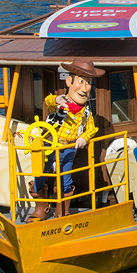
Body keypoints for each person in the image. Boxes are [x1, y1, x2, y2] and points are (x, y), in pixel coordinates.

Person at [29, 58, 103, 221]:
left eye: (88, 83)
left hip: (68, 150)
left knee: (65, 178)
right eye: (81, 81)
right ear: (69, 81)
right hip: (48, 146)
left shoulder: (86, 113)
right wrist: (56, 99)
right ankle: (40, 209)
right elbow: (48, 102)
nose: (85, 88)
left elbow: (92, 128)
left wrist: (84, 137)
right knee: (40, 173)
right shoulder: (61, 103)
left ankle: (62, 212)